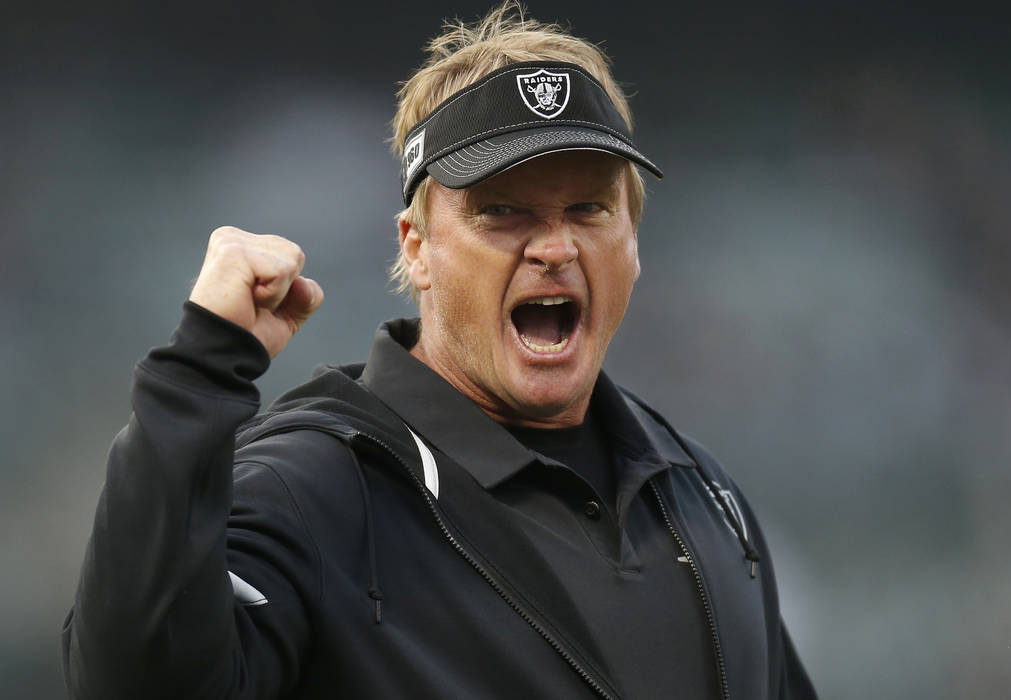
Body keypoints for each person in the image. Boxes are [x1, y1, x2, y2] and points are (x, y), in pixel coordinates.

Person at [62, 3, 817, 699]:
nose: (554, 246)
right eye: (502, 211)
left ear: (632, 239)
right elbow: (135, 681)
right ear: (417, 249)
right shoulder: (311, 489)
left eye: (589, 208)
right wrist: (197, 374)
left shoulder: (704, 500)